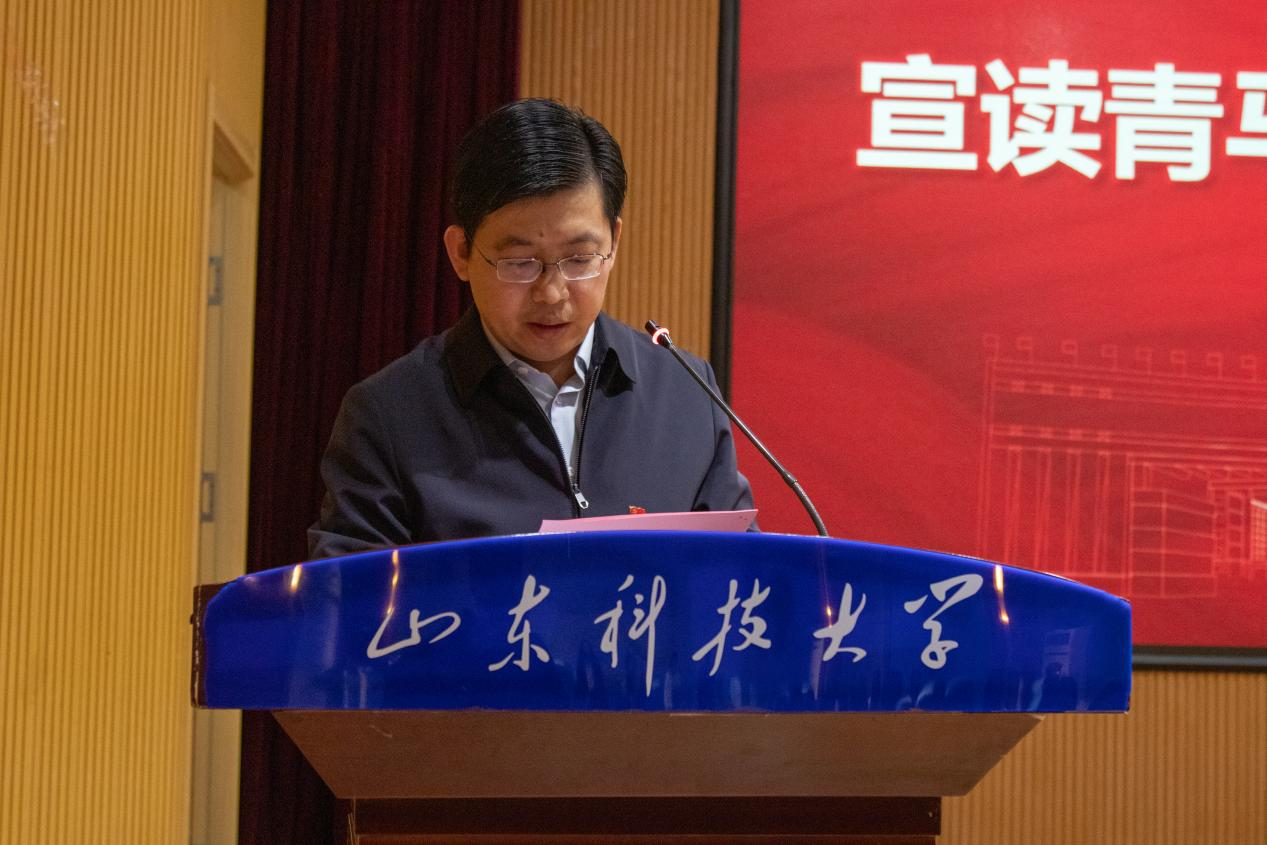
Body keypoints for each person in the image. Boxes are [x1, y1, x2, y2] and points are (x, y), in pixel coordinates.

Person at [308, 98, 753, 558]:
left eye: (579, 259)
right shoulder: (389, 415)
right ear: (461, 253)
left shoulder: (687, 394)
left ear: (614, 243)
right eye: (520, 262)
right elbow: (351, 594)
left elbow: (741, 576)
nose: (552, 293)